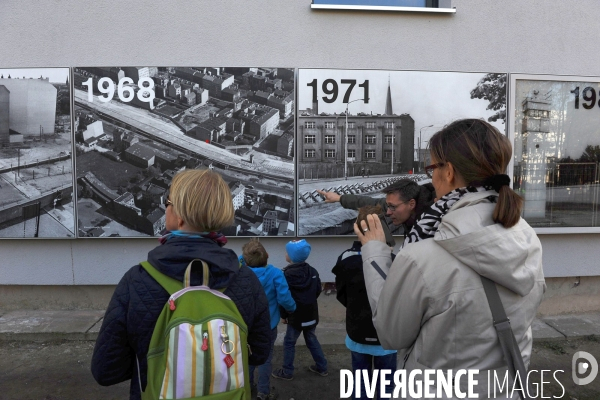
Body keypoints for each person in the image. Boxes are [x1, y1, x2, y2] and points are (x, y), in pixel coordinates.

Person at [355, 119, 545, 399]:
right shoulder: (526, 238)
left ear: (449, 172)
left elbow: (391, 334)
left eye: (432, 168)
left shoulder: (422, 255)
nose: (430, 178)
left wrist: (374, 252)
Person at [91, 169, 271, 400]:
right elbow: (259, 353)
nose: (165, 207)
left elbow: (106, 370)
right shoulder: (246, 280)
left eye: (168, 202)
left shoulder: (137, 281)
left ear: (180, 216)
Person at [332, 205, 397, 400]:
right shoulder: (393, 260)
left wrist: (355, 308)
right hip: (386, 339)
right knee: (387, 389)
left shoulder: (345, 259)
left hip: (357, 334)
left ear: (357, 228)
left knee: (360, 387)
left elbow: (341, 294)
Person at [241, 239, 296, 400]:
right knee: (266, 358)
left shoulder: (242, 273)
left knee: (248, 356)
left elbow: (239, 260)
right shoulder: (275, 274)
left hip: (247, 324)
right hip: (268, 324)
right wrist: (292, 309)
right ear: (268, 256)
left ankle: (248, 386)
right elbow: (285, 298)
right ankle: (263, 392)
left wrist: (244, 257)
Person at [272, 239, 328, 380]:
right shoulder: (313, 271)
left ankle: (287, 371)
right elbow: (317, 291)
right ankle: (322, 367)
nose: (285, 253)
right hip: (311, 315)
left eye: (287, 252)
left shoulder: (285, 275)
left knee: (289, 342)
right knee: (312, 340)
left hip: (295, 317)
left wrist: (283, 315)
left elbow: (284, 297)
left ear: (291, 256)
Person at [317, 179, 435, 237]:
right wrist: (339, 198)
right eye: (388, 206)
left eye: (392, 207)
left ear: (411, 204)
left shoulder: (434, 219)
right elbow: (370, 202)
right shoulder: (410, 207)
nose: (388, 212)